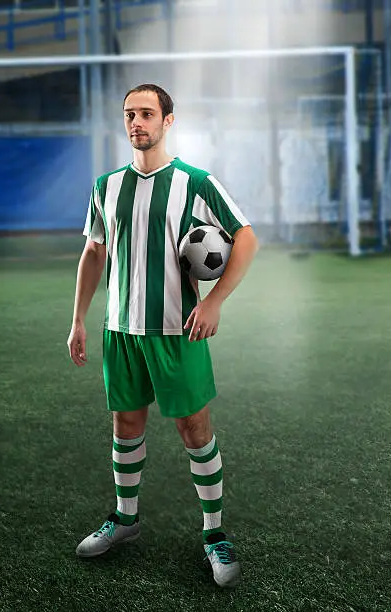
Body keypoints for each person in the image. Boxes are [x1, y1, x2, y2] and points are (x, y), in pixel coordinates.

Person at [67, 83, 258, 588]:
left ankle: (214, 535)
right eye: (130, 114)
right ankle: (126, 520)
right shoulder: (106, 185)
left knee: (194, 430)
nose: (136, 122)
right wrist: (78, 318)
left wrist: (214, 301)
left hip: (178, 331)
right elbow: (93, 252)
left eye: (147, 114)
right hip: (121, 331)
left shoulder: (196, 182)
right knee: (125, 426)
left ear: (168, 121)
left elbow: (246, 237)